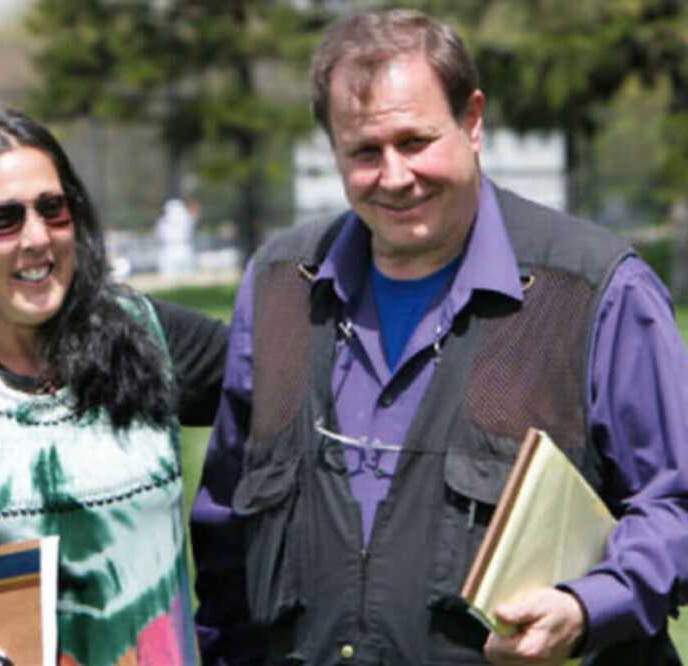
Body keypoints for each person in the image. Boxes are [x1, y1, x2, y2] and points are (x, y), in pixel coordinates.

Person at [190, 8, 688, 665]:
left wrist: (587, 605)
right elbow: (226, 534)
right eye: (364, 152)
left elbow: (675, 505)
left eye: (414, 141)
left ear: (472, 120)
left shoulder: (592, 291)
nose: (394, 177)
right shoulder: (280, 288)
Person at [0, 109, 227, 666]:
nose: (36, 238)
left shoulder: (149, 341)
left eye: (53, 209)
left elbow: (302, 387)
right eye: (3, 219)